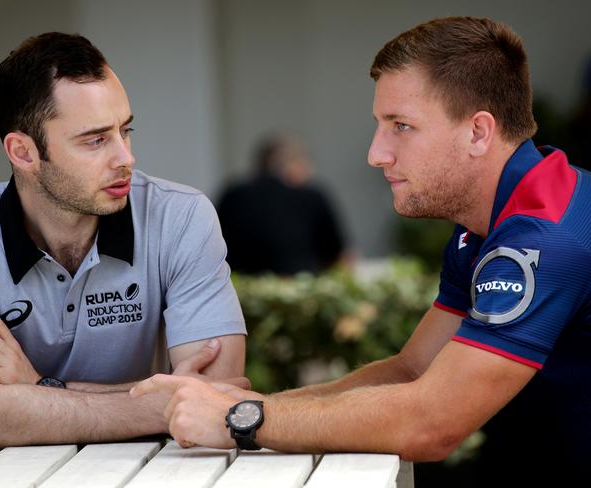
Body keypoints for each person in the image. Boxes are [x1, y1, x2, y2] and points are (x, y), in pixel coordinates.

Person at [130, 16, 591, 485]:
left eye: (402, 126)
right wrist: (247, 408)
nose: (377, 153)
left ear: (478, 132)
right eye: (381, 125)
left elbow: (432, 423)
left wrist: (243, 419)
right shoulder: (494, 218)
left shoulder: (541, 240)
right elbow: (411, 370)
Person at [0, 32, 247, 447]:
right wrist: (164, 402)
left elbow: (218, 400)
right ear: (23, 152)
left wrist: (38, 386)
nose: (126, 158)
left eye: (126, 130)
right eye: (96, 140)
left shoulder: (180, 216)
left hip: (153, 473)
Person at [217, 136, 347, 275]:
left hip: (240, 287)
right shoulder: (312, 196)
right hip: (301, 285)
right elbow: (337, 253)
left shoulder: (233, 194)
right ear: (293, 165)